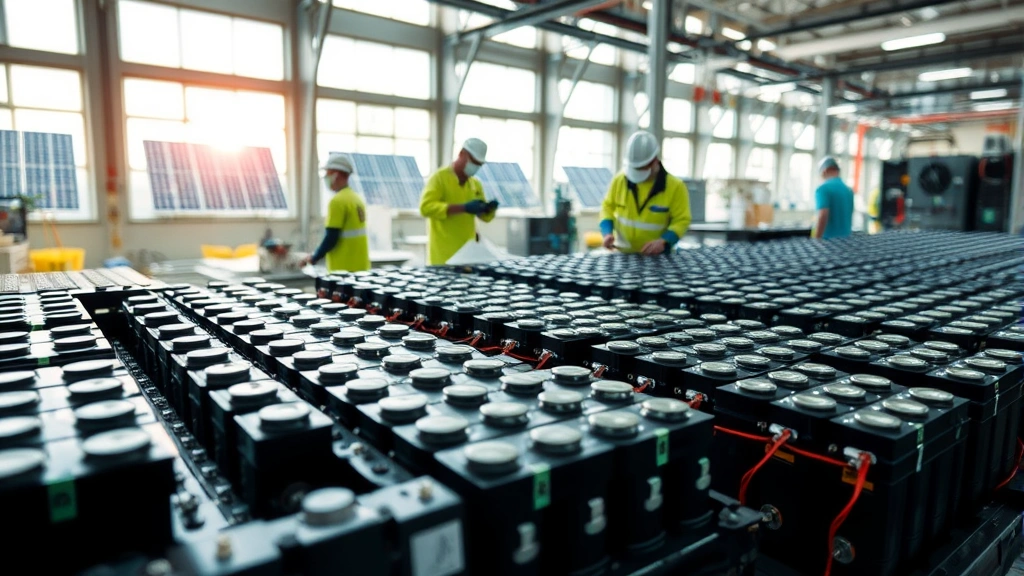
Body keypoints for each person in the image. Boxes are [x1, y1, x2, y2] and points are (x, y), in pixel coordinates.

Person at [599, 131, 691, 255]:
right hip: (623, 254)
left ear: (654, 161)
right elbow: (607, 206)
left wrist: (664, 241)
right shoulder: (620, 180)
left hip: (658, 258)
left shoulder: (675, 187)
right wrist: (607, 232)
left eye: (642, 168)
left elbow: (682, 220)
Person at [419, 138, 498, 265]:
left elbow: (485, 218)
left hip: (468, 256)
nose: (475, 167)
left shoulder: (475, 184)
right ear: (461, 154)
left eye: (479, 164)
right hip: (443, 257)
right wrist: (463, 208)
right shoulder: (439, 178)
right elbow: (425, 208)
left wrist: (488, 210)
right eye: (473, 162)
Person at [301, 152, 370, 272]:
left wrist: (314, 257)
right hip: (361, 267)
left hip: (343, 270)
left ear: (336, 175)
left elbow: (331, 237)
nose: (326, 178)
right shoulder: (356, 198)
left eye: (327, 174)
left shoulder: (337, 201)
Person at [813, 156, 854, 239]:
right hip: (848, 242)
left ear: (824, 171)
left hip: (828, 244)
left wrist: (817, 238)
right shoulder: (849, 190)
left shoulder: (822, 189)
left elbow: (823, 214)